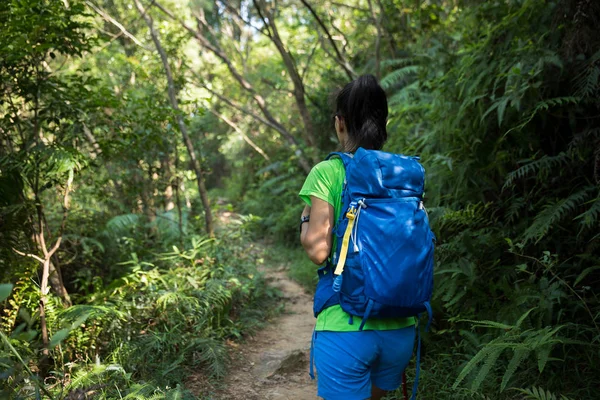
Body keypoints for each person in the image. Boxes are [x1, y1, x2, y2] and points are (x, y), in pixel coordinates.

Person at [299, 74, 416, 400]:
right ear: (384, 122)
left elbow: (317, 250)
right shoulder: (402, 172)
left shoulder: (328, 172)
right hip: (401, 326)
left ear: (340, 123)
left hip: (345, 327)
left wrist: (306, 218)